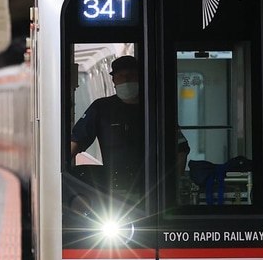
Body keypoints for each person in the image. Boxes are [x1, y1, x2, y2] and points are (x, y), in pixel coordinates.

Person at [69, 55, 190, 195]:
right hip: (114, 190)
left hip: (152, 190)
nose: (125, 80)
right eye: (120, 76)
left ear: (140, 77)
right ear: (113, 80)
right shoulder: (101, 108)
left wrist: (173, 185)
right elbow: (77, 141)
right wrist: (57, 169)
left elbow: (181, 149)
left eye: (131, 75)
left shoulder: (157, 109)